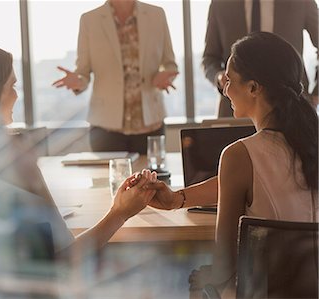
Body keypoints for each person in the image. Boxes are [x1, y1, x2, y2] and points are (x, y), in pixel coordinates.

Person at [135, 32, 318, 295]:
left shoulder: (239, 155)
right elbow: (257, 181)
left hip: (265, 292)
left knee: (189, 278)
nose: (225, 88)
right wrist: (178, 199)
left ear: (254, 88)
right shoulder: (309, 144)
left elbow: (223, 267)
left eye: (230, 79)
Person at [0, 43, 158, 256]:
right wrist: (120, 213)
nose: (16, 96)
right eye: (12, 87)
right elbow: (67, 258)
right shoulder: (13, 155)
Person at [52, 0, 178, 154]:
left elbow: (170, 65)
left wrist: (164, 78)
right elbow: (83, 72)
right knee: (107, 178)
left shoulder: (156, 15)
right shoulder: (89, 20)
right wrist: (78, 81)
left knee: (151, 177)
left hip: (150, 123)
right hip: (106, 127)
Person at [203, 0, 318, 117]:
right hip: (233, 109)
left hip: (291, 106)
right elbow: (209, 58)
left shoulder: (302, 2)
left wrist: (316, 94)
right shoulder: (221, 3)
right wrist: (219, 76)